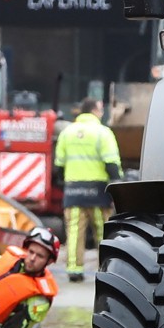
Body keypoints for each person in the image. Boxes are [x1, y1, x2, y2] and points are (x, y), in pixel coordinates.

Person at [53, 97, 122, 282]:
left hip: (73, 191)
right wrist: (118, 187)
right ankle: (106, 270)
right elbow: (111, 164)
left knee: (74, 231)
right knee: (103, 232)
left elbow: (59, 165)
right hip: (98, 192)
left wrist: (65, 182)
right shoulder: (103, 133)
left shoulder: (67, 133)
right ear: (95, 110)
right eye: (100, 109)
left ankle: (74, 270)